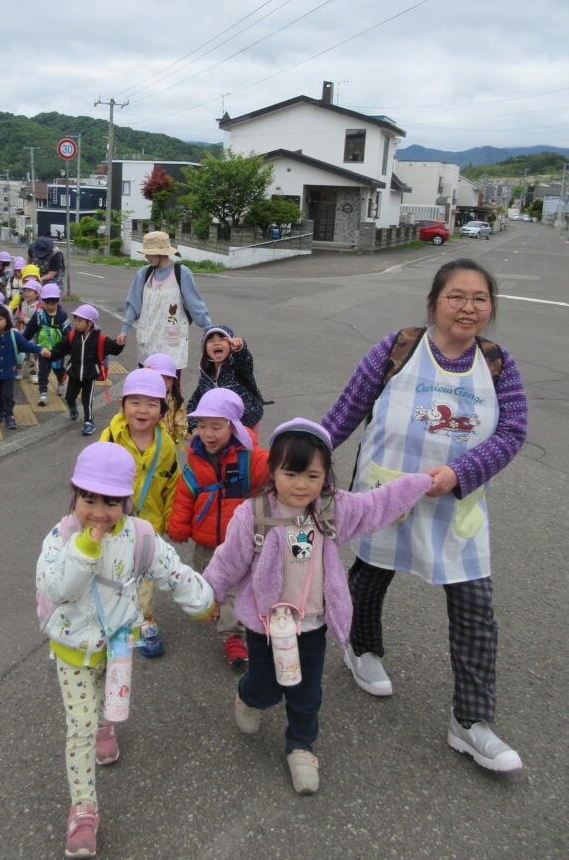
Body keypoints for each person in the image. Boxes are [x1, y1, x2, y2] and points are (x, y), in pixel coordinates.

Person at [322, 258, 528, 774]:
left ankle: (472, 723)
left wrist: (460, 473)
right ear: (433, 302)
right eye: (456, 296)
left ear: (490, 309)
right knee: (370, 577)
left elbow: (512, 432)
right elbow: (346, 410)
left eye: (480, 299)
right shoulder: (397, 349)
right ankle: (362, 648)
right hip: (386, 494)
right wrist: (303, 458)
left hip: (454, 506)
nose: (468, 308)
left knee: (475, 606)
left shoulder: (499, 364)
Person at [203, 419, 433, 794]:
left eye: (312, 475)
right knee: (267, 689)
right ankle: (249, 697)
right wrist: (210, 595)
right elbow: (230, 560)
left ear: (326, 475)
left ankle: (301, 746)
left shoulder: (331, 509)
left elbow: (378, 504)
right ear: (272, 471)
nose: (300, 485)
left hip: (311, 625)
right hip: (264, 626)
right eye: (290, 473)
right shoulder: (255, 513)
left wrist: (421, 482)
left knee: (306, 693)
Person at [36, 443, 214, 860]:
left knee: (106, 705)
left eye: (111, 501)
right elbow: (55, 588)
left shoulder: (140, 537)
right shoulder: (61, 537)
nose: (98, 511)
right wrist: (83, 551)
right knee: (78, 726)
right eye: (89, 499)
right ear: (74, 496)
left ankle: (105, 727)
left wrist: (202, 601)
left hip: (117, 643)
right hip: (71, 647)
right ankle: (83, 811)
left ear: (126, 502)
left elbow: (172, 570)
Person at [168, 388, 269, 666]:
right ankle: (213, 605)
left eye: (216, 426)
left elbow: (277, 469)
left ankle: (233, 637)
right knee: (208, 581)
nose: (208, 433)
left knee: (235, 587)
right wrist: (178, 527)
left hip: (240, 541)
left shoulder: (251, 457)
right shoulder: (196, 456)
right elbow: (185, 493)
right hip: (206, 540)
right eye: (201, 426)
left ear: (233, 426)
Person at [100, 368, 180, 657]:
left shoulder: (167, 444)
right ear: (121, 405)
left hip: (150, 527)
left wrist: (172, 519)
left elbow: (172, 484)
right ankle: (113, 620)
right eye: (135, 402)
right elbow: (92, 480)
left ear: (161, 410)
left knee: (146, 581)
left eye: (152, 404)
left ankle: (144, 623)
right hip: (113, 526)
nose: (142, 410)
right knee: (114, 576)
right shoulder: (110, 437)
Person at [115, 231, 213, 381]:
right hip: (147, 343)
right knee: (147, 389)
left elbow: (196, 306)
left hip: (171, 344)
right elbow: (133, 304)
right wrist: (124, 330)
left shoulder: (182, 273)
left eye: (150, 253)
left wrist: (210, 331)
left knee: (170, 394)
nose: (146, 257)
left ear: (161, 253)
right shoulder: (144, 274)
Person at [48, 304, 124, 437]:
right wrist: (50, 354)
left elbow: (113, 349)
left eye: (79, 320)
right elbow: (61, 349)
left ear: (90, 323)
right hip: (74, 374)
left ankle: (89, 422)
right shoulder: (72, 336)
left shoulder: (100, 339)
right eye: (75, 319)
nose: (75, 323)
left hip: (90, 376)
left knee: (87, 400)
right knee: (69, 396)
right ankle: (73, 409)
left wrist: (119, 343)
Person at [0, 303, 51, 429]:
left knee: (7, 395)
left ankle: (9, 414)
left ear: (7, 320)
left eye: (0, 319)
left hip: (9, 372)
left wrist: (40, 349)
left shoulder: (14, 335)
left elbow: (27, 345)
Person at [186, 324, 263, 433]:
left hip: (245, 427)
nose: (217, 343)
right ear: (205, 349)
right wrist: (194, 428)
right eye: (211, 341)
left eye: (222, 339)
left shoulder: (237, 367)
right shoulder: (206, 376)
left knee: (247, 450)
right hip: (218, 431)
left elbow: (246, 361)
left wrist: (240, 349)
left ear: (231, 345)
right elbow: (194, 404)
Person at [23, 283, 70, 406]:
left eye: (53, 303)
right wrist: (20, 342)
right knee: (43, 371)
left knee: (59, 370)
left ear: (57, 302)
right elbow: (30, 330)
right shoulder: (39, 314)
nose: (49, 306)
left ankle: (61, 383)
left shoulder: (62, 315)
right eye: (46, 302)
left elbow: (68, 333)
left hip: (58, 350)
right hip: (42, 349)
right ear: (41, 300)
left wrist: (70, 347)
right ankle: (43, 392)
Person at [143, 352, 189, 449]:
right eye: (159, 376)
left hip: (167, 446)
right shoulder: (141, 399)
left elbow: (180, 421)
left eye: (168, 378)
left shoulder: (175, 399)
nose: (164, 382)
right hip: (145, 445)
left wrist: (189, 435)